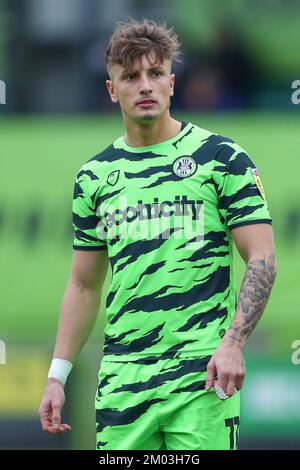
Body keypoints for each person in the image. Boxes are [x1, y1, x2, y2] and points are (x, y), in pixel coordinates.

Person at [38, 18, 277, 450]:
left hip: (202, 376)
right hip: (122, 382)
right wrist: (58, 375)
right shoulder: (94, 177)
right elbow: (83, 284)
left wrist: (234, 344)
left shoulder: (221, 158)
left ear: (171, 82)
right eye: (130, 76)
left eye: (154, 74)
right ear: (112, 90)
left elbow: (261, 259)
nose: (144, 85)